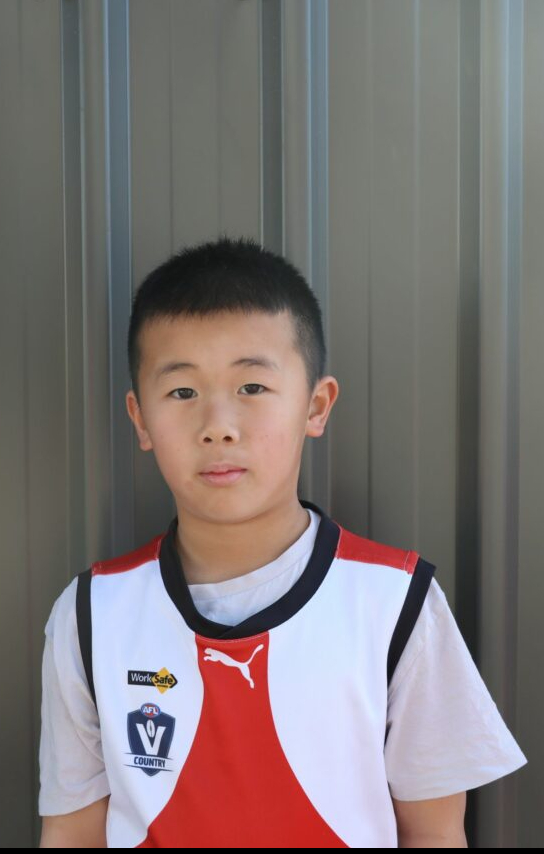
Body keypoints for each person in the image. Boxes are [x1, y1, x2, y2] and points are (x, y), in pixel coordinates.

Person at [38, 235, 528, 848]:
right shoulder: (92, 614)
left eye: (252, 388)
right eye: (183, 392)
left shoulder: (394, 604)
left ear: (316, 406)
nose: (218, 427)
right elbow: (71, 831)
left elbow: (434, 833)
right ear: (141, 419)